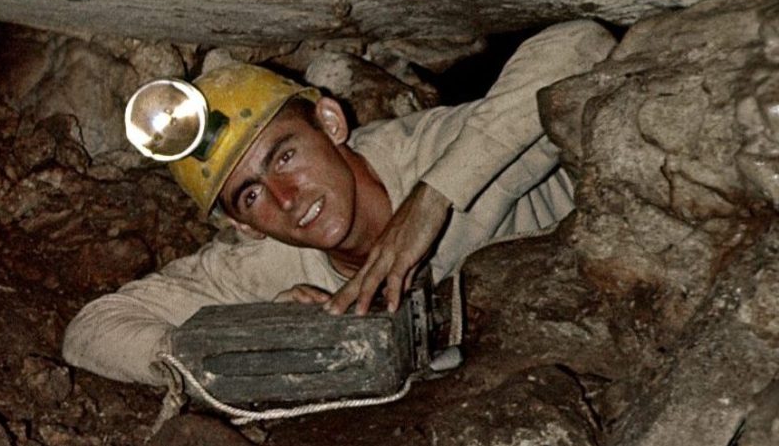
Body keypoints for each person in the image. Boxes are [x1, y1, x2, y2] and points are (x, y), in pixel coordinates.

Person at [63, 20, 616, 387]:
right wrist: (235, 344)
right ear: (243, 225)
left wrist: (432, 200)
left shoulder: (431, 149)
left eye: (284, 156)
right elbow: (91, 331)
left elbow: (585, 45)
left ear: (330, 123)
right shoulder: (261, 262)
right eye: (251, 194)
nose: (285, 197)